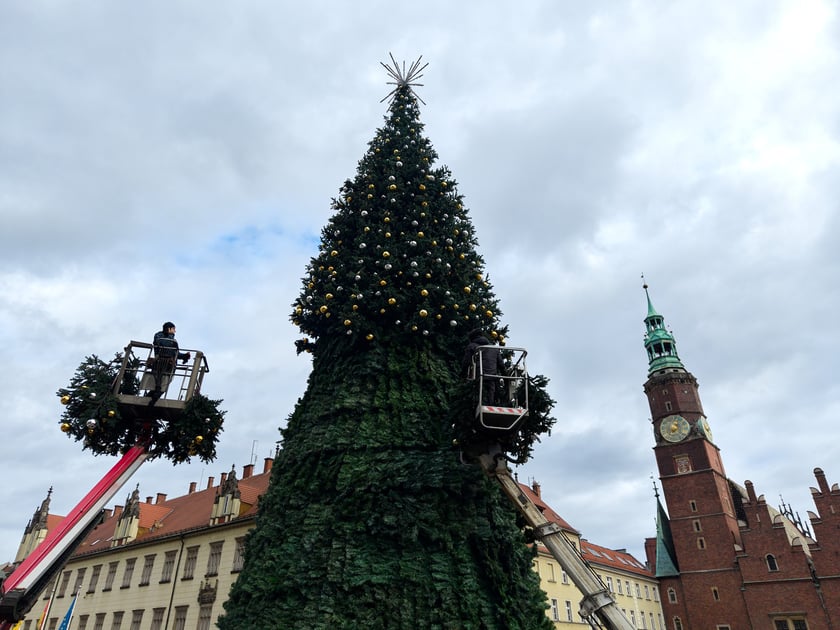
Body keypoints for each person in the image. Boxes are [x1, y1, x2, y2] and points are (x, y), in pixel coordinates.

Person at [145, 322, 190, 402]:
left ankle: (149, 400)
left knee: (160, 386)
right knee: (161, 385)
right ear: (169, 329)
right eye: (173, 329)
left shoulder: (164, 338)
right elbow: (170, 350)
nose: (175, 331)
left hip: (163, 363)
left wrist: (184, 356)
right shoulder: (165, 338)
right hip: (163, 364)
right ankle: (149, 402)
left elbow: (174, 353)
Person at [462, 329, 505, 405]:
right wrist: (506, 378)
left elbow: (466, 362)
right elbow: (501, 365)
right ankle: (490, 404)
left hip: (478, 376)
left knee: (479, 395)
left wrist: (463, 375)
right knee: (490, 395)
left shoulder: (472, 346)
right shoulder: (493, 348)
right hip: (492, 376)